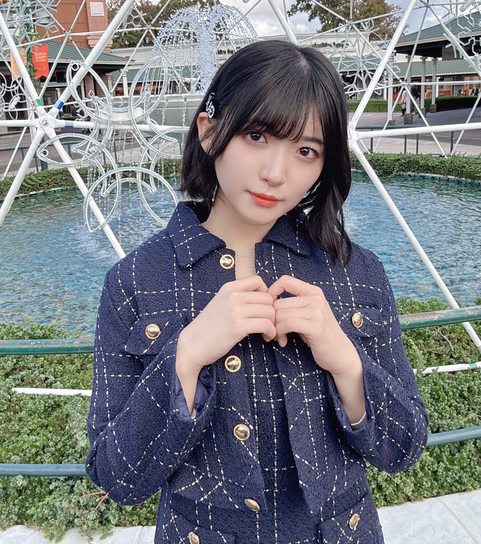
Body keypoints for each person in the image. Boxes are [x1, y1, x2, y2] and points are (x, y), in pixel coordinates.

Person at [86, 40, 428, 544]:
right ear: (209, 131)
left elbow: (403, 448)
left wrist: (345, 360)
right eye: (257, 135)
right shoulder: (135, 281)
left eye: (306, 151)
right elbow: (116, 476)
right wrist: (186, 356)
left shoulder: (355, 272)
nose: (276, 173)